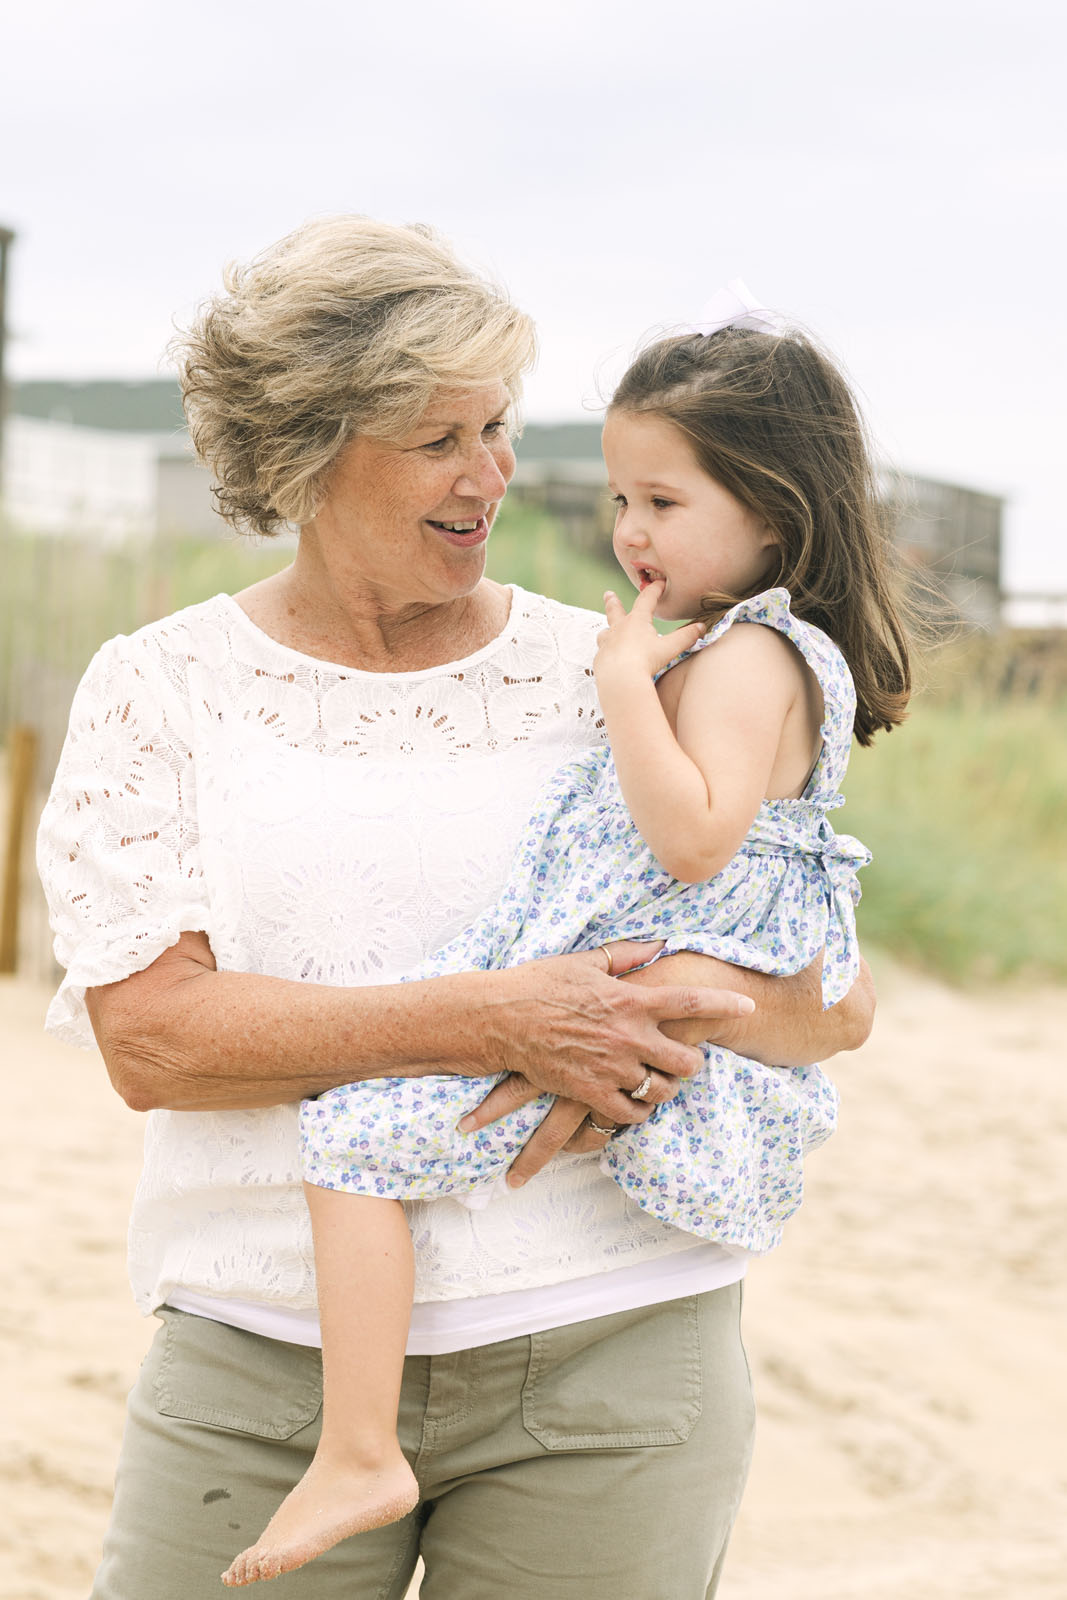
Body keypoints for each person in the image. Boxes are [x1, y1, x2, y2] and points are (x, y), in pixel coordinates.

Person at [37, 220, 874, 1600]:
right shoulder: (159, 688)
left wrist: (660, 1017)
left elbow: (832, 996)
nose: (492, 476)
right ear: (308, 448)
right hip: (263, 1373)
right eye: (441, 439)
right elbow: (157, 1042)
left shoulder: (620, 665)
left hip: (616, 1359)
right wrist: (502, 1020)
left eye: (500, 426)